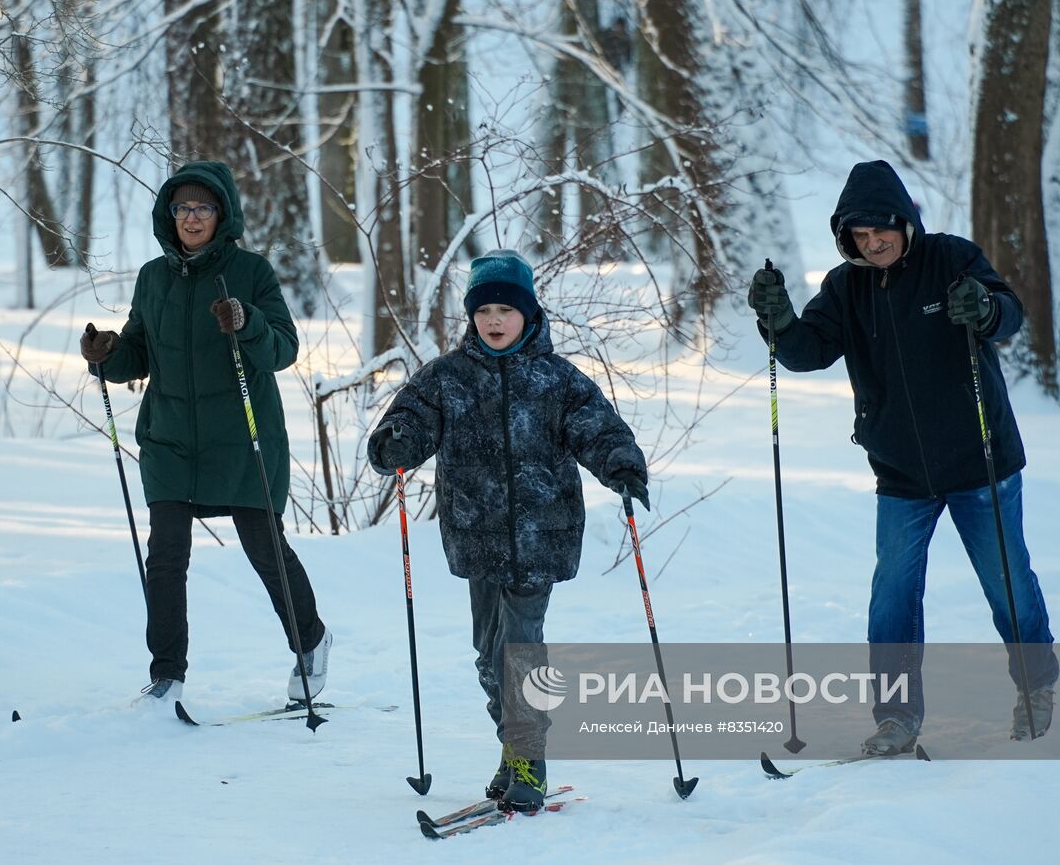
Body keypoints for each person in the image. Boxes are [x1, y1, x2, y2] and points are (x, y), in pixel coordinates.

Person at [747, 159, 1058, 755]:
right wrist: (779, 319)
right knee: (892, 595)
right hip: (900, 472)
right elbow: (808, 351)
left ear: (905, 221)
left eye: (881, 230)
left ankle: (1036, 684)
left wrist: (984, 308)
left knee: (1007, 580)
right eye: (859, 236)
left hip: (980, 460)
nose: (873, 243)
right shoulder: (847, 286)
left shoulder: (951, 259)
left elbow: (1007, 312)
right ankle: (895, 719)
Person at [367, 250, 649, 810]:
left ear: (528, 314)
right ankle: (511, 746)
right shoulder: (447, 378)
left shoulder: (557, 379)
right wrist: (395, 441)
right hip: (477, 534)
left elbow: (596, 425)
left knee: (521, 649)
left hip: (542, 535)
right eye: (485, 310)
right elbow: (411, 420)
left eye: (506, 310)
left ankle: (528, 758)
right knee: (488, 655)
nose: (495, 320)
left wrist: (618, 460)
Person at [81, 160, 330, 709]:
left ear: (224, 213)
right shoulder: (153, 276)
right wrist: (109, 355)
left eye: (204, 207)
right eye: (183, 208)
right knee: (166, 556)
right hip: (170, 438)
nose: (193, 218)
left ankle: (310, 641)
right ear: (169, 215)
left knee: (265, 550)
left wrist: (247, 322)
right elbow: (139, 353)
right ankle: (167, 675)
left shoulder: (250, 272)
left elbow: (283, 350)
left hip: (242, 437)